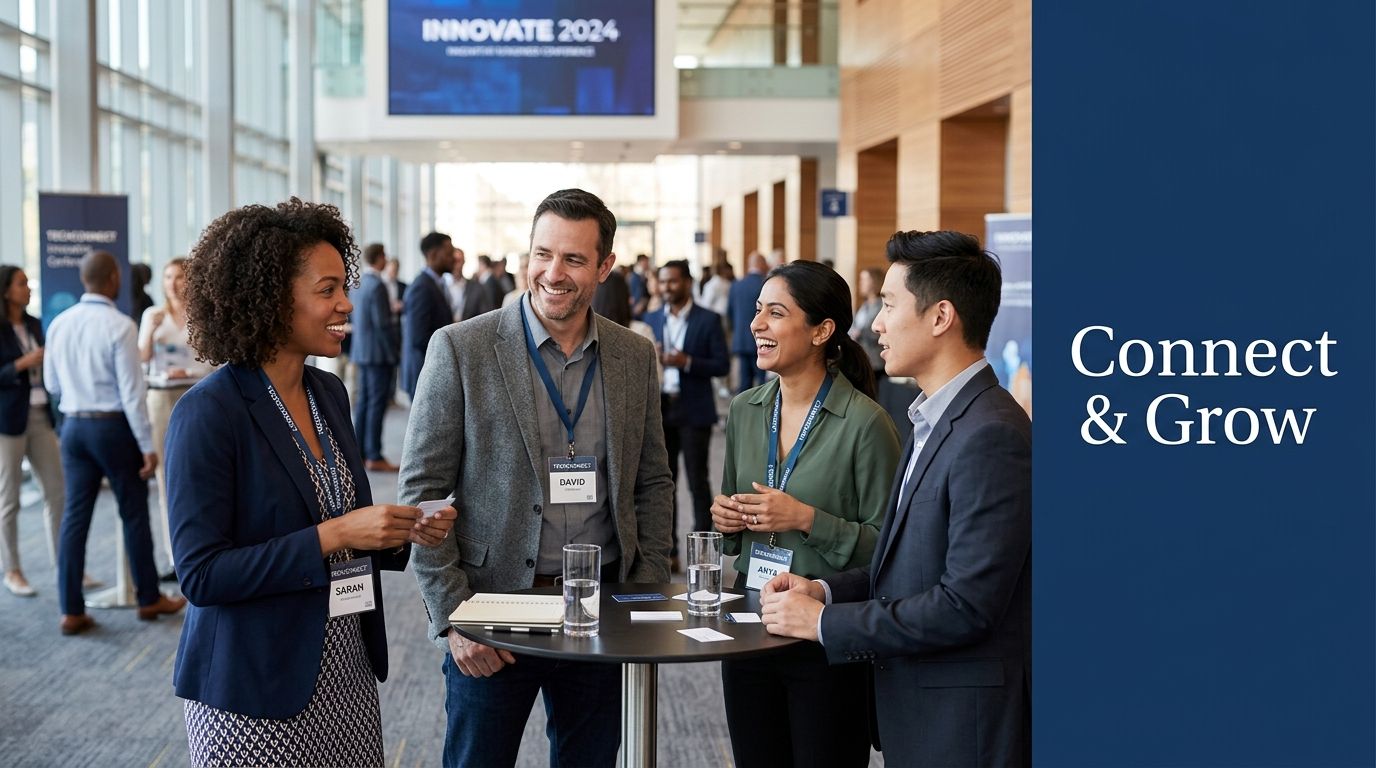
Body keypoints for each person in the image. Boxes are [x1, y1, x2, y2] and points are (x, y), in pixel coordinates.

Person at [166, 198, 456, 767]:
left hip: (345, 671)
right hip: (256, 691)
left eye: (343, 286)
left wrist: (401, 532)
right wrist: (335, 533)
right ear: (272, 301)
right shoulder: (209, 412)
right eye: (327, 290)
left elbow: (344, 523)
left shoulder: (329, 394)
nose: (346, 303)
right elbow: (201, 574)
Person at [401, 188, 673, 768]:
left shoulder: (631, 355)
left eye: (574, 259)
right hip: (492, 614)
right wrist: (454, 618)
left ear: (604, 267)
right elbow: (421, 496)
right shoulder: (461, 348)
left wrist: (643, 592)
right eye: (542, 254)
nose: (554, 273)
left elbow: (652, 481)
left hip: (601, 611)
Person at [760, 230, 1032, 767]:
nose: (876, 323)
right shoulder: (930, 417)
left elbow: (966, 607)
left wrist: (821, 624)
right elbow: (909, 565)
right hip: (922, 713)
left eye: (888, 304)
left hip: (963, 728)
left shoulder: (991, 433)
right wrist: (824, 590)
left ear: (941, 317)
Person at [710, 260, 900, 768]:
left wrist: (806, 519)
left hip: (824, 635)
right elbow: (730, 522)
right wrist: (726, 519)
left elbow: (892, 549)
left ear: (821, 331)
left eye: (775, 313)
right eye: (757, 312)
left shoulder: (866, 423)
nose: (756, 325)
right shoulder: (745, 409)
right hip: (749, 624)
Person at [45, 250, 185, 635]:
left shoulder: (59, 324)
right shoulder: (120, 325)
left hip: (73, 426)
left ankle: (70, 609)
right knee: (134, 513)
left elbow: (52, 385)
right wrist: (147, 446)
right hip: (112, 428)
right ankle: (148, 598)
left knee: (75, 518)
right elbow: (130, 393)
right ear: (112, 280)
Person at [643, 260, 729, 569]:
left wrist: (687, 361)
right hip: (659, 410)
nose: (667, 287)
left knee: (697, 481)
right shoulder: (649, 319)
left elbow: (722, 365)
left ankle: (702, 552)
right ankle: (670, 552)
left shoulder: (709, 320)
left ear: (687, 283)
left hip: (694, 408)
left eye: (673, 282)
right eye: (663, 282)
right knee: (662, 484)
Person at [138, 257, 214, 580]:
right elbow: (139, 359)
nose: (173, 283)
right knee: (166, 480)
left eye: (180, 276)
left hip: (195, 394)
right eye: (168, 276)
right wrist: (150, 334)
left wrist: (192, 371)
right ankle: (174, 556)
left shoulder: (202, 316)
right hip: (160, 396)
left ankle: (206, 545)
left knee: (203, 471)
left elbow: (214, 360)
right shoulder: (151, 316)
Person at [0, 266, 64, 597]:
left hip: (41, 416)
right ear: (6, 290)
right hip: (8, 421)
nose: (28, 289)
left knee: (57, 492)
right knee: (8, 499)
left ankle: (65, 566)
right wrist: (23, 364)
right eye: (22, 284)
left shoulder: (35, 323)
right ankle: (12, 570)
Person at [351, 243, 400, 472]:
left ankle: (359, 453)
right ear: (379, 258)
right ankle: (374, 454)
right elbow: (382, 324)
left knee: (363, 403)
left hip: (361, 351)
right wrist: (393, 351)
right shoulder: (378, 285)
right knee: (377, 404)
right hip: (379, 354)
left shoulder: (358, 285)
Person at [400, 231, 456, 399]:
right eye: (449, 253)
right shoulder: (422, 288)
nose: (453, 258)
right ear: (433, 255)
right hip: (423, 374)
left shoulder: (435, 284)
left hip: (431, 372)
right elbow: (419, 337)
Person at [729, 251, 769, 393]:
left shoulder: (736, 285)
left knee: (744, 381)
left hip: (741, 339)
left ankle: (743, 412)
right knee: (761, 382)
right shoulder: (766, 284)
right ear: (761, 264)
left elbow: (730, 312)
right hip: (762, 339)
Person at [850, 267, 886, 383]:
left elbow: (880, 332)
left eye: (864, 280)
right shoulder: (864, 305)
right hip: (862, 360)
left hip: (876, 361)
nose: (861, 283)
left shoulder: (882, 305)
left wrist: (861, 333)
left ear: (873, 282)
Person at [444, 247, 496, 323]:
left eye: (459, 260)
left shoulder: (477, 287)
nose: (456, 264)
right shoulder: (439, 287)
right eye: (453, 261)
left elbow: (486, 316)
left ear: (464, 261)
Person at [591, 261, 632, 326]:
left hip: (613, 322)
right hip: (601, 322)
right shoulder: (618, 278)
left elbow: (624, 303)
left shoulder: (618, 279)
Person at [628, 253, 652, 319]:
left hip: (643, 308)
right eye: (646, 262)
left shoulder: (645, 276)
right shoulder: (633, 277)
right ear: (640, 262)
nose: (647, 264)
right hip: (635, 309)